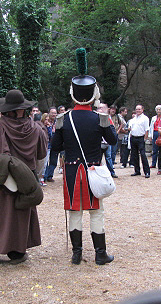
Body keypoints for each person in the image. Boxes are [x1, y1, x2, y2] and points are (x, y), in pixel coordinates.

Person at [51, 69, 118, 265]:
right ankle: (100, 254)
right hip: (92, 171)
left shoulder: (63, 119)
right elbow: (113, 140)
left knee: (75, 212)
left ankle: (76, 254)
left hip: (72, 171)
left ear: (73, 93)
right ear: (93, 94)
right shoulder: (100, 118)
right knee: (96, 212)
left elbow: (55, 147)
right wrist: (106, 121)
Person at [0, 90, 48, 264]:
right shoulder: (35, 129)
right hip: (24, 179)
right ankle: (16, 251)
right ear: (22, 109)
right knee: (19, 214)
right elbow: (41, 154)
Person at [129, 104, 151, 178]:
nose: (138, 110)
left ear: (142, 110)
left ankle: (147, 172)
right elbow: (131, 128)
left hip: (141, 138)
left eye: (139, 109)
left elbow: (147, 130)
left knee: (143, 155)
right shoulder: (134, 119)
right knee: (134, 155)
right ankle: (137, 171)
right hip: (133, 137)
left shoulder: (145, 118)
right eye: (136, 109)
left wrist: (145, 139)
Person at [97, 103, 118, 178]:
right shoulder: (95, 118)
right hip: (98, 143)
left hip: (107, 142)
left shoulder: (108, 118)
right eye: (99, 108)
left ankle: (111, 172)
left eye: (102, 108)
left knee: (109, 158)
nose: (101, 109)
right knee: (97, 159)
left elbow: (112, 129)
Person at [43, 107, 59, 182]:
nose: (53, 114)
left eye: (55, 113)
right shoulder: (45, 122)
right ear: (49, 113)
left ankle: (50, 175)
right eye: (52, 113)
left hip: (55, 144)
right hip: (47, 144)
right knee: (45, 161)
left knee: (53, 161)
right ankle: (45, 176)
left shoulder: (58, 122)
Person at [149, 104, 161, 169]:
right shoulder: (153, 118)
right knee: (154, 149)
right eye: (157, 109)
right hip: (155, 132)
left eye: (159, 109)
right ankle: (153, 163)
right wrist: (150, 135)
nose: (158, 111)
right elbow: (151, 127)